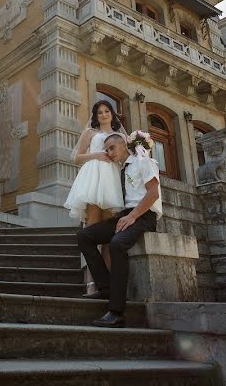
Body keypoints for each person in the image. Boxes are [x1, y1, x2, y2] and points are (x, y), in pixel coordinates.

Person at [77, 130, 162, 328]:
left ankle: (116, 312)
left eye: (112, 148)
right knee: (84, 236)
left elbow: (153, 194)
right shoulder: (120, 169)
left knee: (117, 244)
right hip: (126, 215)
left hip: (144, 215)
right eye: (106, 150)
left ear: (124, 145)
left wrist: (133, 216)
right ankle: (105, 288)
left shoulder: (143, 161)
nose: (110, 152)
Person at [63, 101, 128, 226]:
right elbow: (77, 158)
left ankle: (106, 246)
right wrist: (96, 155)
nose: (104, 115)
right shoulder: (90, 132)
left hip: (112, 177)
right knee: (93, 218)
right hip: (93, 177)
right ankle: (88, 244)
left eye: (107, 111)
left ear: (112, 114)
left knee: (109, 220)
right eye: (100, 112)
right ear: (96, 116)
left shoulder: (121, 136)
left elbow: (124, 159)